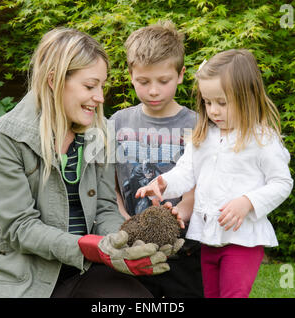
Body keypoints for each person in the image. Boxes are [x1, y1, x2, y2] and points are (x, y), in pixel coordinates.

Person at [0, 27, 181, 298]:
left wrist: (133, 239)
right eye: (89, 86)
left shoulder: (101, 132)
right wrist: (91, 246)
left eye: (101, 85)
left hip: (84, 271)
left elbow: (106, 208)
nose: (100, 97)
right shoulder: (5, 137)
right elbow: (19, 228)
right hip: (24, 280)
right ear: (54, 80)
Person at [136, 49, 294, 298]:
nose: (213, 111)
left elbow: (282, 183)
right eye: (208, 102)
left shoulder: (262, 139)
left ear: (247, 97)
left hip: (243, 241)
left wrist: (248, 202)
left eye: (222, 102)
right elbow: (186, 173)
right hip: (208, 238)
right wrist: (163, 183)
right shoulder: (204, 136)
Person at [110, 21, 204, 298]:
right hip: (130, 246)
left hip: (184, 248)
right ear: (130, 75)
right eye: (143, 81)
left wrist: (179, 217)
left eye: (163, 81)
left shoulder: (197, 125)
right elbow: (111, 184)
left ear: (181, 74)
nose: (153, 91)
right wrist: (123, 222)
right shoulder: (118, 122)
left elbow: (199, 182)